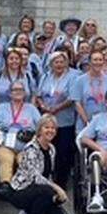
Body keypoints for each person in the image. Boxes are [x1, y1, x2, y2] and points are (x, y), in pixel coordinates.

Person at [9, 115, 69, 214]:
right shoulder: (31, 148)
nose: (50, 130)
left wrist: (56, 197)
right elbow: (35, 177)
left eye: (53, 128)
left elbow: (48, 174)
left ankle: (29, 211)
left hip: (41, 191)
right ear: (39, 129)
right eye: (46, 127)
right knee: (46, 190)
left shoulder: (52, 149)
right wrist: (57, 188)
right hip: (22, 190)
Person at [35, 50, 78, 189]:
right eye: (56, 62)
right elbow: (39, 95)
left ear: (66, 63)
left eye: (61, 61)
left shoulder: (73, 76)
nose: (59, 64)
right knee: (45, 150)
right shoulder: (46, 76)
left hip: (65, 121)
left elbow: (72, 98)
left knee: (63, 153)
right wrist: (43, 106)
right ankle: (44, 180)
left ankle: (60, 183)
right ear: (51, 64)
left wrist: (56, 108)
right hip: (47, 120)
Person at [0, 81, 42, 188]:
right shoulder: (2, 108)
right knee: (6, 158)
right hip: (5, 145)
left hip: (25, 146)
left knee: (24, 160)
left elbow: (40, 126)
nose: (18, 92)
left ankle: (24, 185)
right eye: (15, 90)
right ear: (10, 93)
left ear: (25, 93)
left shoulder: (31, 109)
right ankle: (6, 186)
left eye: (21, 90)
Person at [72, 50, 107, 128]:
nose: (98, 62)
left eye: (100, 60)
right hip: (84, 124)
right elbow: (77, 103)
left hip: (105, 124)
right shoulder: (80, 80)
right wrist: (86, 121)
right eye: (95, 60)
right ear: (89, 62)